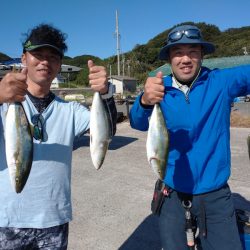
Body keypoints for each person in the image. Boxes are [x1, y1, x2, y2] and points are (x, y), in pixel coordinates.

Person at [130, 24, 250, 250]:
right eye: (177, 52)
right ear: (169, 59)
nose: (185, 59)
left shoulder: (220, 82)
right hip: (172, 192)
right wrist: (145, 100)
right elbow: (137, 122)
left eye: (193, 51)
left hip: (215, 194)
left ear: (202, 55)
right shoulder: (159, 87)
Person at [0, 24, 117, 249]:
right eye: (38, 55)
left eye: (53, 57)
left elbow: (106, 130)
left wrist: (105, 93)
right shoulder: (4, 106)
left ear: (59, 65)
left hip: (54, 219)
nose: (45, 61)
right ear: (24, 58)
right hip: (7, 220)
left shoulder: (71, 111)